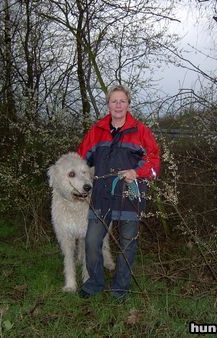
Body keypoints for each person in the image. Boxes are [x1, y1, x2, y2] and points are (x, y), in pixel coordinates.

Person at [77, 84, 160, 300]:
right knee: (92, 242)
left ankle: (120, 289)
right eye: (114, 101)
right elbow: (80, 161)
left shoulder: (141, 131)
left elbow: (154, 163)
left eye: (122, 101)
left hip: (130, 196)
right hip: (101, 196)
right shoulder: (97, 131)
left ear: (129, 104)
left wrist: (137, 171)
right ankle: (94, 283)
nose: (118, 105)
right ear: (108, 105)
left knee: (127, 245)